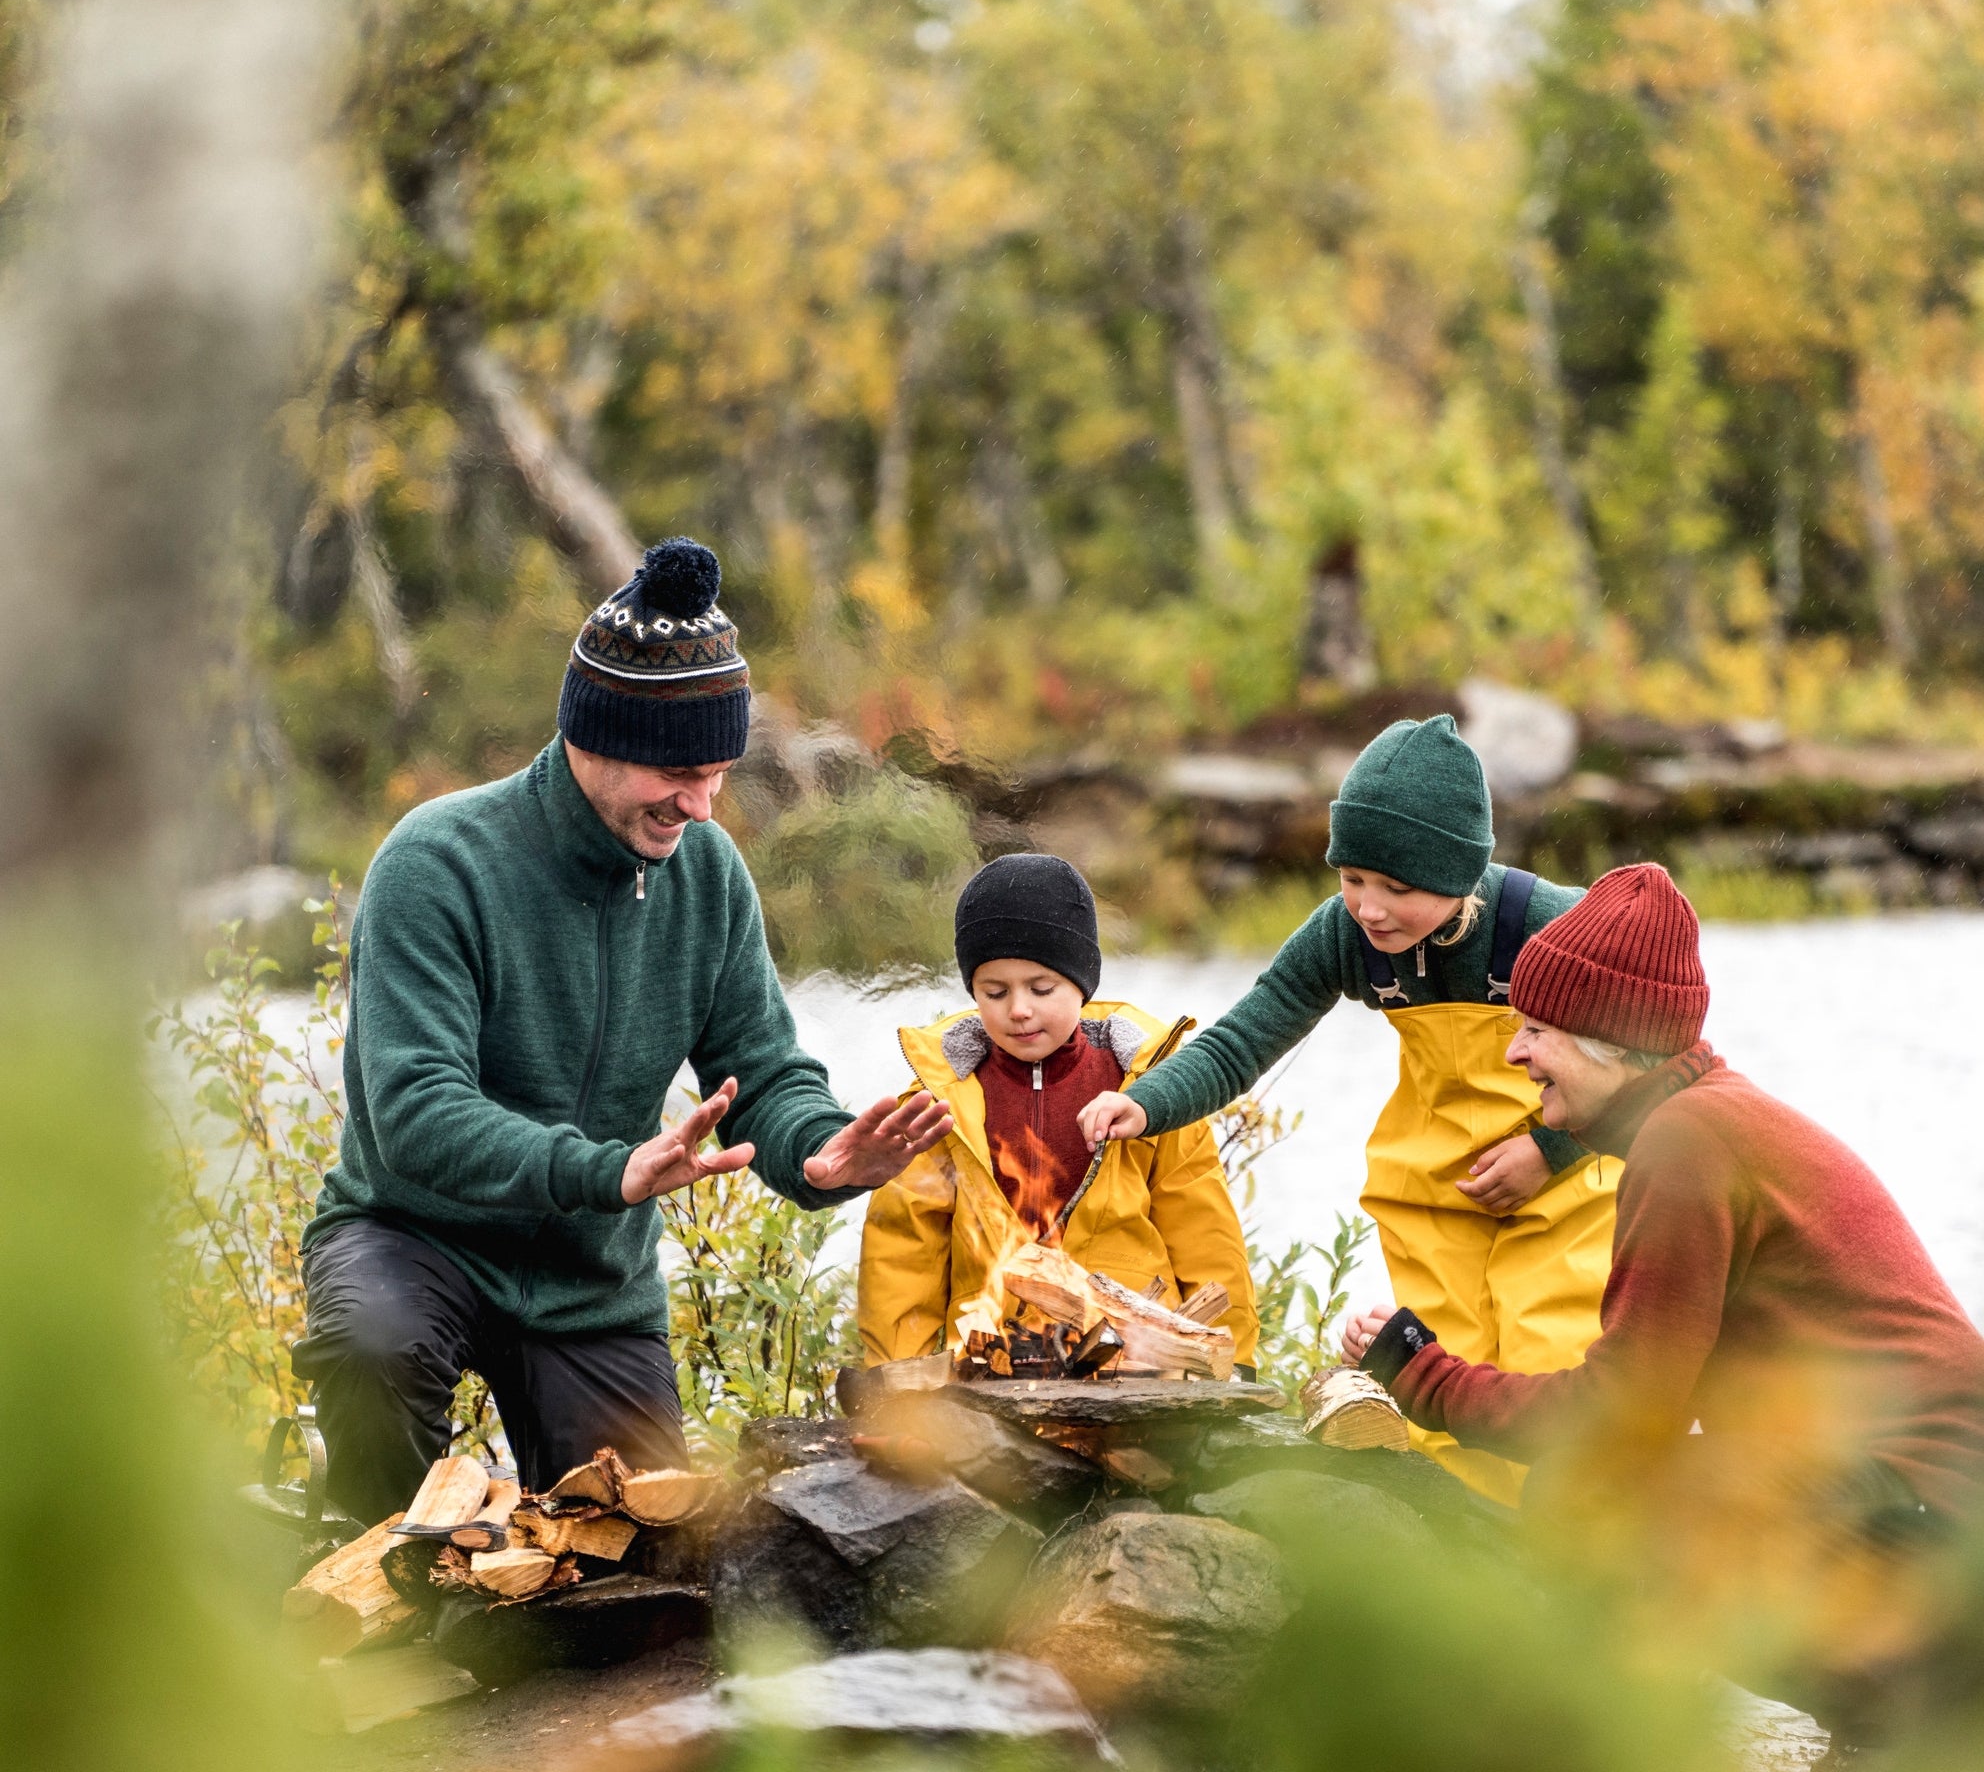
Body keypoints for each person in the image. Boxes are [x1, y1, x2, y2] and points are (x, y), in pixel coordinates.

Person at [295, 538, 953, 1524]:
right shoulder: (436, 864)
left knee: (645, 1560)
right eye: (679, 773)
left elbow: (765, 1074)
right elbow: (414, 1114)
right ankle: (366, 1588)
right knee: (372, 1346)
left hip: (588, 1286)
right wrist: (609, 1171)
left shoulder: (706, 874)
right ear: (593, 737)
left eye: (719, 774)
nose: (700, 804)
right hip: (411, 1236)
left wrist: (818, 1155)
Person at [1342, 864, 1984, 1730]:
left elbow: (1613, 1420)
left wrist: (1420, 1370)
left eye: (1537, 1028)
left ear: (1610, 1038)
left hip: (1927, 1506)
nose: (1515, 1051)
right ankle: (1897, 1724)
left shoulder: (1689, 1146)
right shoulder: (1703, 1121)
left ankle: (1911, 1724)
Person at [1078, 715, 1614, 1502]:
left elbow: (1662, 1053)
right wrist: (1146, 1104)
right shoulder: (1349, 935)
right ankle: (1473, 1566)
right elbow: (1246, 1036)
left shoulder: (1547, 925)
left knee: (1550, 1356)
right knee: (1437, 1373)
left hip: (1565, 1180)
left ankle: (1573, 1540)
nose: (1369, 908)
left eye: (1397, 888)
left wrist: (1549, 1151)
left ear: (1460, 873)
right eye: (1352, 879)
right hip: (1441, 1189)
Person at [858, 853, 1259, 1373]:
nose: (1019, 1009)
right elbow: (903, 1254)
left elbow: (1205, 1234)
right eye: (994, 992)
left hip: (1136, 1369)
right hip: (992, 1368)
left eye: (1041, 989)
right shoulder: (938, 1102)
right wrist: (894, 1377)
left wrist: (1237, 1360)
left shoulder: (1150, 1087)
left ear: (1082, 983)